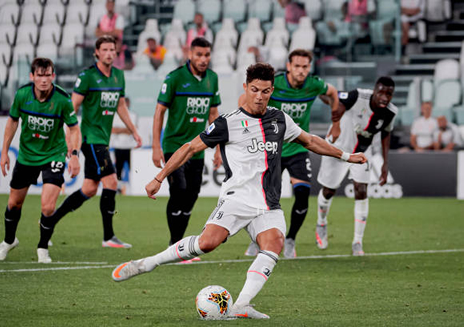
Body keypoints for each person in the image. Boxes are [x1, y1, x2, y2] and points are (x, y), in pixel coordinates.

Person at [111, 63, 367, 319]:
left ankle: (241, 304)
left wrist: (346, 156)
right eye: (254, 89)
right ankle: (146, 264)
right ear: (246, 87)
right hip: (237, 199)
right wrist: (159, 177)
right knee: (207, 244)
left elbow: (310, 141)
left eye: (265, 91)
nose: (259, 96)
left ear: (272, 90)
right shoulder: (227, 123)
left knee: (274, 245)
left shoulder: (279, 119)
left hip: (268, 204)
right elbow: (189, 148)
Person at [240, 49, 341, 258]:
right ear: (289, 66)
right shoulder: (275, 84)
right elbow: (245, 99)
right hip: (271, 150)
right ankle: (257, 238)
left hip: (298, 148)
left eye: (305, 67)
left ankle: (290, 239)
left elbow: (332, 92)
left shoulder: (314, 85)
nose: (301, 71)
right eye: (297, 66)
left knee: (303, 195)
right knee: (263, 199)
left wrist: (336, 121)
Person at [45, 35, 142, 249]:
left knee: (89, 188)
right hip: (89, 138)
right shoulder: (87, 76)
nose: (109, 53)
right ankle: (108, 237)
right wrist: (68, 140)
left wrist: (133, 130)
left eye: (112, 50)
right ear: (96, 53)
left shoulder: (118, 76)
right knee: (112, 182)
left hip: (103, 139)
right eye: (105, 50)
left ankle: (49, 222)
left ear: (116, 53)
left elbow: (121, 106)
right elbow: (72, 108)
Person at [0, 58, 81, 263]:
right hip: (27, 155)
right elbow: (13, 121)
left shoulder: (61, 99)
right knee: (14, 203)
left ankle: (42, 248)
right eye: (39, 75)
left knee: (48, 207)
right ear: (32, 77)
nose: (43, 80)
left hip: (54, 154)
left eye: (47, 75)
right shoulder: (22, 95)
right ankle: (8, 241)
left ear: (53, 76)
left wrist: (74, 155)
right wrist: (5, 151)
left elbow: (74, 128)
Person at [152, 37, 222, 248]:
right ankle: (175, 244)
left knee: (192, 195)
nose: (203, 59)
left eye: (207, 55)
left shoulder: (212, 78)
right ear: (189, 54)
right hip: (174, 145)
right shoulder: (174, 78)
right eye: (199, 54)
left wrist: (219, 148)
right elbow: (159, 111)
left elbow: (213, 113)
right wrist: (156, 146)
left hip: (198, 147)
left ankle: (177, 242)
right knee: (179, 190)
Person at [316, 76, 397, 256]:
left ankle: (357, 242)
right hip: (336, 148)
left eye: (389, 94)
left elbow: (386, 134)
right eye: (381, 92)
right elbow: (336, 100)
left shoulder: (391, 112)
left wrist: (385, 164)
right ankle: (321, 222)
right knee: (328, 191)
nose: (384, 97)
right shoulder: (358, 95)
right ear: (375, 90)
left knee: (361, 190)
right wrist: (335, 112)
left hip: (361, 153)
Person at [111, 97, 139, 194]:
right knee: (118, 169)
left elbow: (133, 130)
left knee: (133, 168)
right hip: (118, 146)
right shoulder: (115, 116)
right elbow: (113, 130)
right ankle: (119, 188)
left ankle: (134, 187)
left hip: (130, 147)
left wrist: (121, 130)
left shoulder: (133, 115)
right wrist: (126, 129)